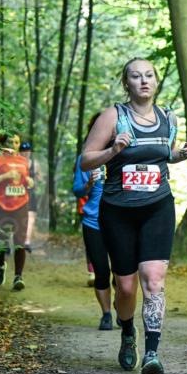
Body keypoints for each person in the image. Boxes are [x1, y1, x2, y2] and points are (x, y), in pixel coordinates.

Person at [81, 57, 187, 374]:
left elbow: (165, 153)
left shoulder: (167, 117)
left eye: (148, 75)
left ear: (156, 82)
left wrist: (181, 154)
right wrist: (112, 151)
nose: (143, 81)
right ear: (126, 83)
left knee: (154, 280)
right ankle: (127, 331)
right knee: (127, 287)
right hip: (117, 210)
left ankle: (152, 354)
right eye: (136, 76)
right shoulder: (112, 117)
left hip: (157, 207)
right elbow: (86, 161)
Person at [73, 117, 114, 331]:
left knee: (123, 271)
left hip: (120, 221)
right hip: (93, 222)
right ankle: (106, 314)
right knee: (101, 271)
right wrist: (89, 183)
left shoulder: (124, 154)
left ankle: (122, 307)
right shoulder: (86, 159)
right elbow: (77, 191)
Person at [0, 133, 32, 290]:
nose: (13, 144)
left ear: (19, 145)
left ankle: (18, 276)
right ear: (5, 144)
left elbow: (25, 180)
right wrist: (5, 175)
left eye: (16, 142)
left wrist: (30, 181)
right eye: (10, 141)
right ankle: (0, 265)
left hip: (21, 204)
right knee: (1, 240)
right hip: (1, 205)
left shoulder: (24, 161)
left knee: (20, 241)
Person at [20, 141, 41, 252]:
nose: (25, 153)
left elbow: (39, 178)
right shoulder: (16, 163)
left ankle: (27, 242)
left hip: (31, 193)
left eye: (27, 151)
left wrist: (36, 179)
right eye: (23, 151)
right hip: (17, 193)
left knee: (31, 217)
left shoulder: (35, 164)